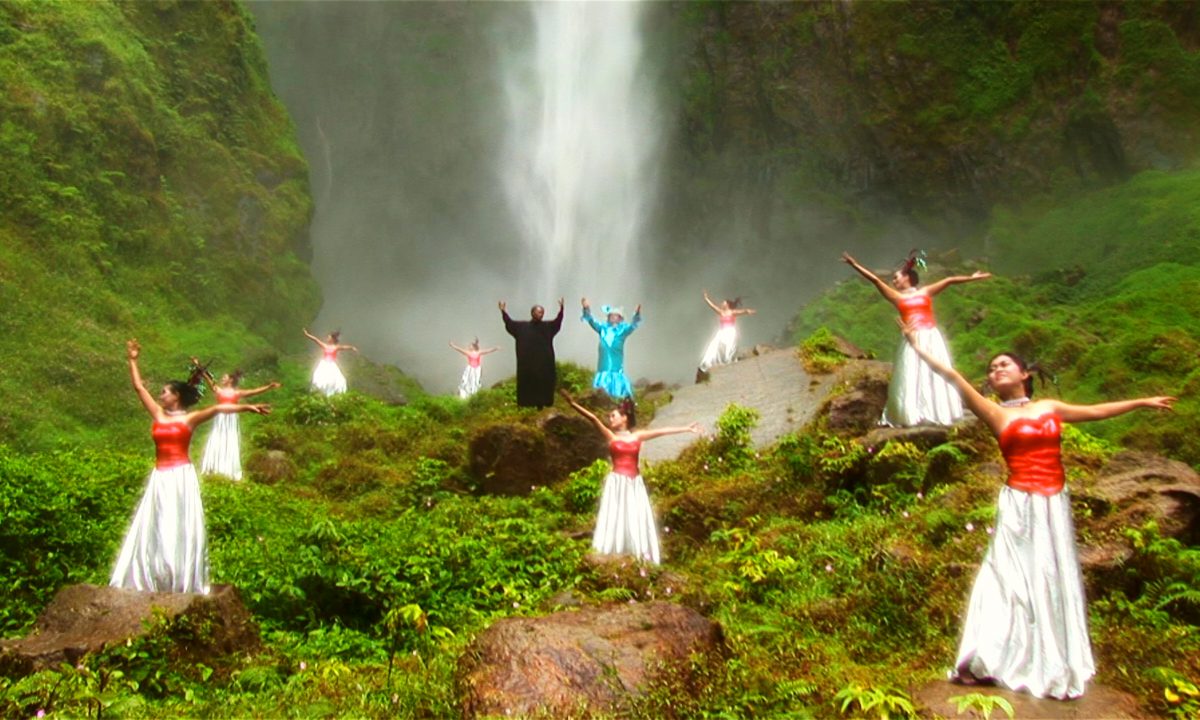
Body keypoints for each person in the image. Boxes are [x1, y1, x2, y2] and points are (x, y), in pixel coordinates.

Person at [900, 322, 1176, 699]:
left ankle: (1048, 653)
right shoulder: (992, 412)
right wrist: (918, 346)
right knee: (1010, 578)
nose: (995, 370)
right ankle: (991, 652)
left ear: (1024, 374)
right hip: (1019, 504)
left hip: (1053, 503)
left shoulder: (1050, 406)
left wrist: (1141, 402)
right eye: (992, 368)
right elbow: (950, 373)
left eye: (1004, 365)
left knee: (1049, 575)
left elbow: (1096, 410)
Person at [111, 340, 270, 594]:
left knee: (177, 524)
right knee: (157, 523)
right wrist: (132, 360)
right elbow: (139, 388)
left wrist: (248, 407)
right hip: (160, 476)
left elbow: (219, 408)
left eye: (164, 392)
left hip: (180, 476)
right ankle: (154, 574)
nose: (160, 396)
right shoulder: (158, 415)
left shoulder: (189, 418)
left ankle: (178, 576)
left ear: (176, 396)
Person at [842, 250, 991, 426]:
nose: (894, 281)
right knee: (911, 373)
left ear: (908, 278)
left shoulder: (925, 292)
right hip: (912, 336)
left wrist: (972, 278)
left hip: (930, 334)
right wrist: (854, 265)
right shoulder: (896, 297)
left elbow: (949, 281)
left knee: (935, 371)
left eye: (897, 277)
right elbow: (875, 280)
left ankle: (938, 410)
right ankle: (912, 413)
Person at [559, 389, 702, 565]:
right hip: (617, 481)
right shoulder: (611, 436)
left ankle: (639, 551)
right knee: (615, 514)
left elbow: (662, 431)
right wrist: (573, 404)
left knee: (636, 514)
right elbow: (593, 419)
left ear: (624, 418)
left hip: (634, 482)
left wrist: (686, 428)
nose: (610, 419)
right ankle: (612, 550)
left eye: (613, 416)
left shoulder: (637, 436)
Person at [198, 369, 281, 481]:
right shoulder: (219, 390)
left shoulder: (237, 393)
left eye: (225, 377)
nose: (222, 379)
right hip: (220, 417)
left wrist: (269, 387)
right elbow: (208, 380)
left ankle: (227, 470)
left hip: (231, 418)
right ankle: (213, 468)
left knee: (229, 440)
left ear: (230, 380)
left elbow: (254, 391)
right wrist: (199, 367)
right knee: (217, 439)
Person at [499, 298, 564, 408]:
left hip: (544, 363)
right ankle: (526, 404)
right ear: (532, 313)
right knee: (528, 383)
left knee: (544, 382)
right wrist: (503, 312)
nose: (541, 314)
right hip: (527, 364)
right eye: (539, 312)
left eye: (542, 312)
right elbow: (509, 323)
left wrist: (561, 310)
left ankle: (543, 404)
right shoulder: (521, 327)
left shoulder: (547, 327)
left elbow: (557, 322)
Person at [581, 297, 642, 398]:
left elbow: (632, 326)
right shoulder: (603, 328)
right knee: (604, 371)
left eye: (615, 316)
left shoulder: (622, 330)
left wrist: (637, 314)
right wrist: (586, 308)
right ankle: (601, 394)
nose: (613, 317)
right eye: (611, 316)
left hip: (615, 359)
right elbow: (591, 321)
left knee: (615, 370)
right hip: (603, 362)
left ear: (620, 318)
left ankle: (617, 395)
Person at [698, 290, 756, 373]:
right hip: (721, 331)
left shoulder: (732, 312)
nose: (722, 304)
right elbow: (712, 306)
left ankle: (729, 362)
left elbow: (742, 311)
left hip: (730, 332)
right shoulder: (721, 312)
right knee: (713, 345)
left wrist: (748, 311)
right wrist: (706, 298)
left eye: (723, 303)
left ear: (727, 305)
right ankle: (706, 364)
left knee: (729, 348)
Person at [303, 328, 357, 397]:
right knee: (319, 378)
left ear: (332, 339)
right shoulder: (325, 346)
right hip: (324, 364)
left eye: (329, 337)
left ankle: (330, 394)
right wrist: (307, 335)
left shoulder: (336, 347)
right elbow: (315, 340)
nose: (327, 339)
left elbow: (344, 347)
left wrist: (352, 348)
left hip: (331, 365)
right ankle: (319, 392)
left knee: (335, 380)